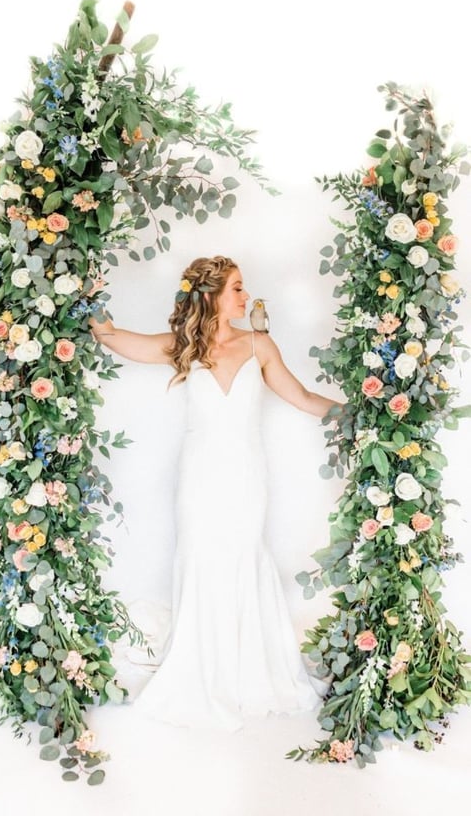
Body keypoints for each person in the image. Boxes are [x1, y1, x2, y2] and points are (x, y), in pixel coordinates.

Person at [89, 255, 342, 731]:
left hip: (247, 476)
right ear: (211, 295)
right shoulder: (184, 345)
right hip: (199, 476)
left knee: (245, 555)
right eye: (238, 288)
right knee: (202, 558)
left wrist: (360, 414)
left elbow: (305, 399)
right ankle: (201, 666)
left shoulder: (259, 344)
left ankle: (249, 668)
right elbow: (113, 337)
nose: (247, 297)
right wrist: (88, 292)